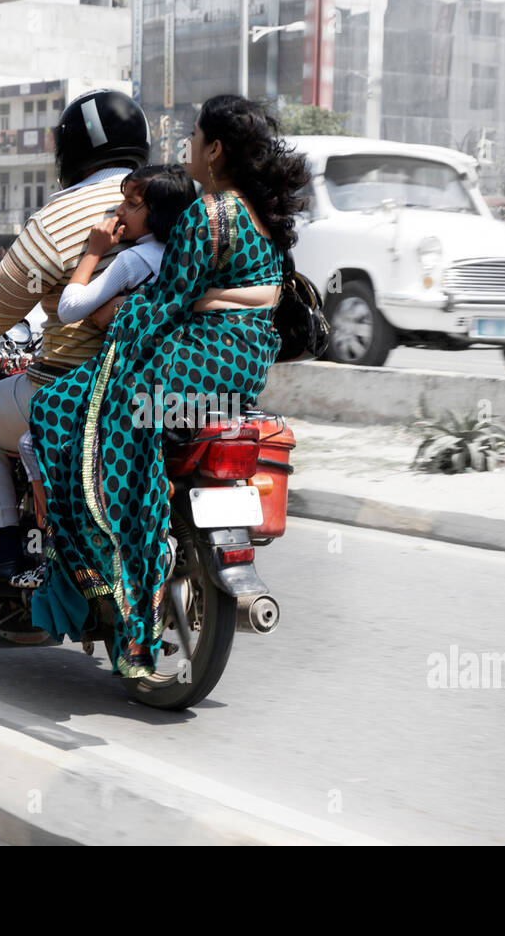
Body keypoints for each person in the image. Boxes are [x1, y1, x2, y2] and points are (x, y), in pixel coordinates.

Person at [26, 94, 312, 677]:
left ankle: (131, 621)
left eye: (193, 139)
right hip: (241, 369)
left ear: (214, 150)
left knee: (63, 414)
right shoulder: (260, 214)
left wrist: (106, 316)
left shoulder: (209, 214)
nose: (185, 151)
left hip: (191, 365)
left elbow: (163, 305)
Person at [0, 88, 153, 592]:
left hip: (76, 387)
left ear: (71, 153)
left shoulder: (60, 219)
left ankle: (5, 552)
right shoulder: (179, 200)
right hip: (164, 381)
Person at [12, 164, 197, 583]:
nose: (118, 211)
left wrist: (94, 251)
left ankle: (54, 542)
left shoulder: (134, 259)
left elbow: (71, 307)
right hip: (178, 378)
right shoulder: (189, 257)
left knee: (32, 439)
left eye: (132, 205)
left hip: (125, 377)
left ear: (160, 215)